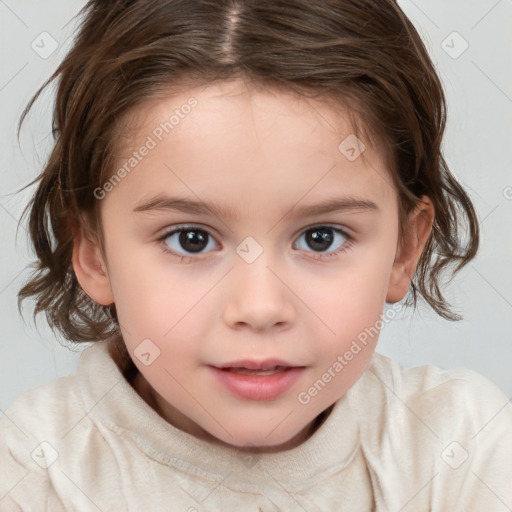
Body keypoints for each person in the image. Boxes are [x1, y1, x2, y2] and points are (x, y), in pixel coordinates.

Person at [1, 0, 511, 510]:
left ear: (403, 250)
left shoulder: (465, 454)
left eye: (321, 238)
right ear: (92, 252)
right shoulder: (30, 477)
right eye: (191, 239)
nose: (260, 307)